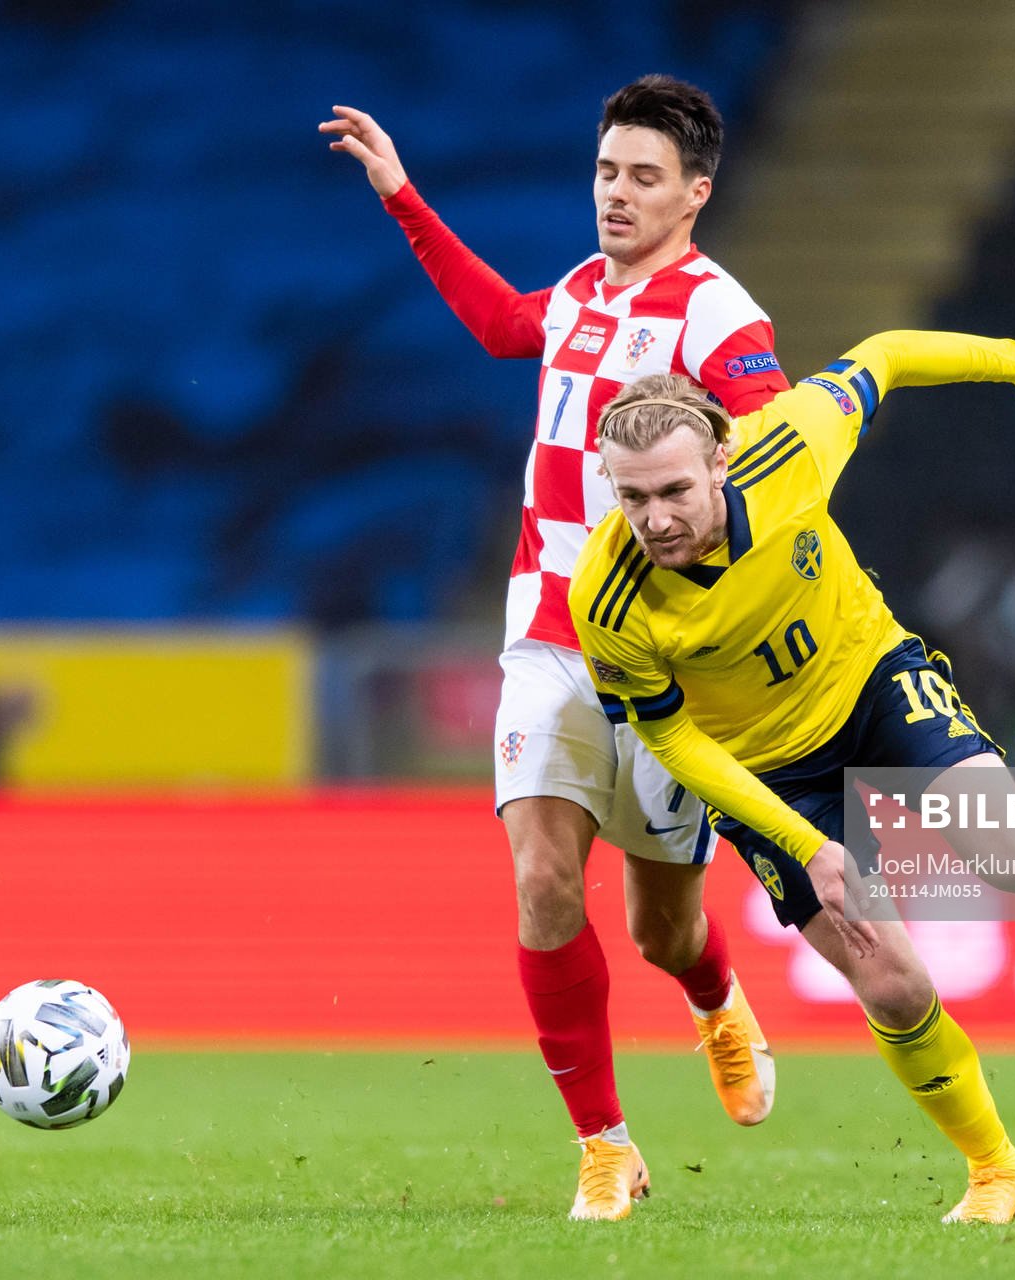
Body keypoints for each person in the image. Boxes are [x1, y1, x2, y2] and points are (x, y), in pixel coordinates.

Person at [569, 331, 1015, 1225]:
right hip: (767, 774)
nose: (657, 519)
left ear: (720, 458)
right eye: (632, 499)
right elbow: (678, 747)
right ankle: (994, 1172)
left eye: (674, 490)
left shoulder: (788, 444)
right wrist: (805, 841)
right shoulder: (605, 599)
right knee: (891, 982)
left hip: (873, 685)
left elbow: (890, 354)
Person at [321, 76, 791, 1220]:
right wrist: (401, 194)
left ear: (696, 191)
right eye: (604, 171)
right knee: (541, 880)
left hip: (662, 652)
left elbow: (775, 462)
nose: (615, 195)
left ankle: (715, 995)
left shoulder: (722, 317)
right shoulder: (582, 290)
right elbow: (499, 325)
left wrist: (730, 592)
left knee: (658, 926)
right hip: (546, 629)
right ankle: (605, 1145)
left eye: (641, 176)